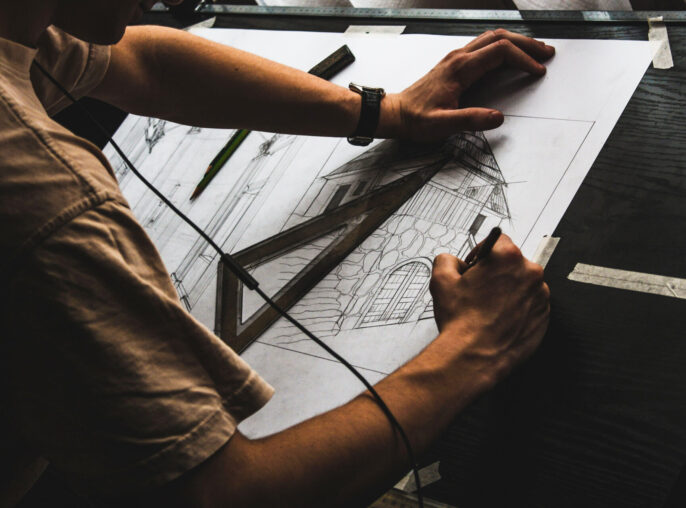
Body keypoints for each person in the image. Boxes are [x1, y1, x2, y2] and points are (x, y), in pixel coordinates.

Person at [0, 0, 553, 506]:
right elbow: (222, 496)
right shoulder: (42, 193)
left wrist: (383, 111)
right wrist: (475, 348)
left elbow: (143, 61)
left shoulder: (25, 22)